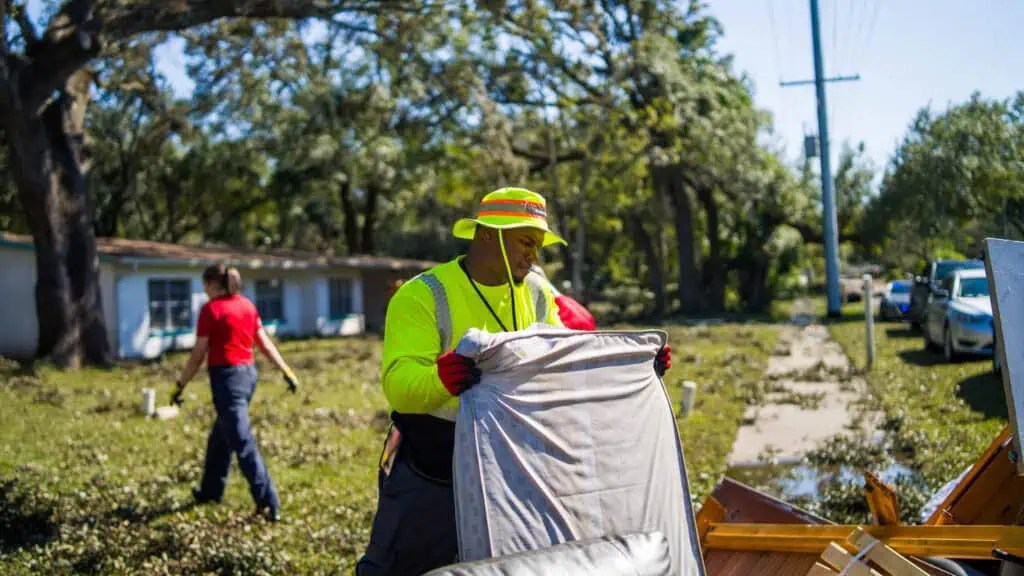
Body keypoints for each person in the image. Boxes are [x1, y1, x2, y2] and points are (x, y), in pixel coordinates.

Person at [355, 187, 672, 575]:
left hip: (514, 468)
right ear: (487, 234)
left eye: (538, 245)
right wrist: (441, 377)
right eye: (526, 242)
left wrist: (635, 366)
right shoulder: (424, 295)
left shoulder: (536, 291)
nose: (533, 256)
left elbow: (563, 360)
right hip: (433, 469)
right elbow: (399, 386)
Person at [171, 264, 300, 523]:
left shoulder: (211, 310)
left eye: (205, 286)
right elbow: (263, 342)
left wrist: (180, 385)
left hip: (227, 380)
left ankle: (268, 504)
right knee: (220, 436)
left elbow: (198, 354)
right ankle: (210, 492)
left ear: (211, 284)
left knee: (242, 442)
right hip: (248, 376)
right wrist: (286, 370)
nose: (204, 292)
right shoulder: (247, 306)